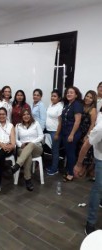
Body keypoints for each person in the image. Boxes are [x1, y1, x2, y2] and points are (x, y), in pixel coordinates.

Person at [75, 103, 102, 234]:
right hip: (101, 158)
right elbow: (86, 145)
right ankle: (90, 222)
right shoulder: (100, 128)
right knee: (98, 187)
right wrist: (79, 164)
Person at [14, 108, 44, 191]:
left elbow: (41, 136)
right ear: (21, 116)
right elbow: (16, 140)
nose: (26, 116)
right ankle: (28, 180)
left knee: (30, 145)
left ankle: (17, 164)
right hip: (23, 149)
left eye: (27, 114)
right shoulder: (18, 126)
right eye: (24, 115)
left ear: (30, 115)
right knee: (28, 156)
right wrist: (21, 144)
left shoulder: (36, 123)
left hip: (36, 148)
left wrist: (31, 143)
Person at [57, 86, 83, 182]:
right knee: (68, 153)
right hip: (65, 132)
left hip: (72, 133)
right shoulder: (68, 104)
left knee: (71, 153)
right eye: (68, 92)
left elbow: (77, 121)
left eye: (71, 92)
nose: (69, 94)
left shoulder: (77, 105)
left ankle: (71, 174)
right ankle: (69, 170)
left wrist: (71, 134)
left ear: (76, 95)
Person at [78, 90, 98, 178]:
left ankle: (84, 169)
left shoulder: (93, 110)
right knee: (79, 151)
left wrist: (87, 135)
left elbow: (92, 124)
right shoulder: (81, 106)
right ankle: (79, 167)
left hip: (87, 133)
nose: (88, 99)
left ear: (93, 100)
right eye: (87, 96)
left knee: (86, 152)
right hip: (79, 132)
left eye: (91, 97)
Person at [45, 90, 63, 175]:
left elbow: (60, 122)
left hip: (55, 131)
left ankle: (54, 169)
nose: (52, 97)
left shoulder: (60, 106)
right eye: (52, 96)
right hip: (48, 130)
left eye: (55, 96)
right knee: (52, 150)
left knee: (55, 151)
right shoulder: (51, 105)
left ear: (59, 98)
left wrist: (57, 134)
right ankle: (52, 166)